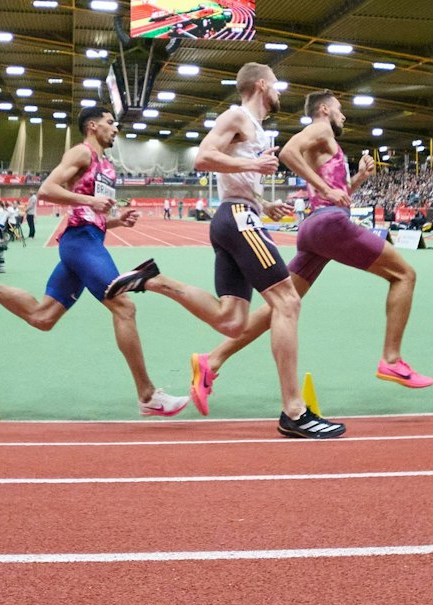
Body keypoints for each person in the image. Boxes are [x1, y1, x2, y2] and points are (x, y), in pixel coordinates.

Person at [106, 62, 344, 439]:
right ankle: (294, 412)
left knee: (231, 321)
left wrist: (264, 204)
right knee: (288, 302)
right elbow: (203, 157)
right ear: (262, 85)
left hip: (238, 214)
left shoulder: (258, 130)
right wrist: (254, 165)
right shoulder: (237, 115)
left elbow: (236, 177)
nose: (281, 92)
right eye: (277, 85)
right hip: (236, 218)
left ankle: (154, 280)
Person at [187, 91, 430, 415]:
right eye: (340, 110)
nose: (343, 117)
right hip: (329, 226)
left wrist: (355, 180)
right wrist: (329, 189)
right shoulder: (322, 128)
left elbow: (332, 194)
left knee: (279, 307)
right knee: (404, 275)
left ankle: (212, 360)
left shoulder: (324, 144)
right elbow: (289, 152)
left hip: (316, 229)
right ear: (325, 109)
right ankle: (391, 359)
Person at [0, 106, 187, 417]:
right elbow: (47, 189)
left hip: (87, 240)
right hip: (79, 242)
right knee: (124, 306)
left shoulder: (106, 167)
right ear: (92, 126)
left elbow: (94, 216)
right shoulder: (81, 154)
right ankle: (147, 395)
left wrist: (118, 220)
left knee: (43, 317)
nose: (116, 129)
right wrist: (89, 200)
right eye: (110, 123)